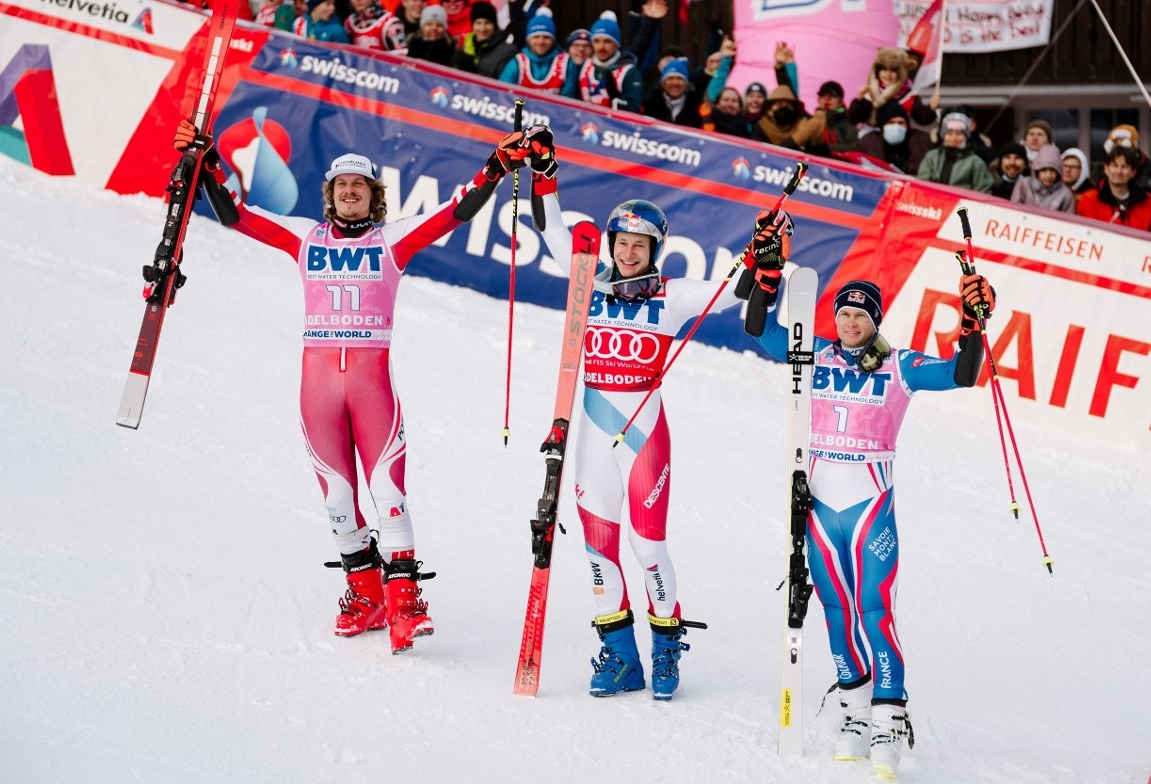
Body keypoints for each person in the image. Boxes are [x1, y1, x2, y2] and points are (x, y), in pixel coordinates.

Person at [171, 117, 550, 654]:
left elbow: (455, 211)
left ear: (373, 197)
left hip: (371, 388)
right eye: (342, 186)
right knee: (338, 500)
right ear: (330, 195)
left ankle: (404, 603)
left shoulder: (391, 239)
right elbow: (236, 215)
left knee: (390, 493)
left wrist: (496, 168)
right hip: (317, 390)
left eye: (361, 186)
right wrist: (207, 162)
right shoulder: (305, 237)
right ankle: (364, 593)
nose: (351, 192)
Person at [748, 212, 993, 777]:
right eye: (843, 313)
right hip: (819, 511)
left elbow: (962, 373)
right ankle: (856, 710)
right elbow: (759, 330)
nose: (849, 322)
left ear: (875, 319)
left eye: (859, 314)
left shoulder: (900, 365)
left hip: (869, 510)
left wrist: (973, 323)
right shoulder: (816, 354)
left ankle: (889, 716)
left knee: (875, 610)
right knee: (834, 608)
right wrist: (766, 275)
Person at [531, 140, 765, 701]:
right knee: (597, 550)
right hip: (591, 435)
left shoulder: (673, 295)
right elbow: (550, 228)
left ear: (655, 249)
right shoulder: (588, 277)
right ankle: (619, 657)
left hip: (644, 437)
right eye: (622, 243)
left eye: (640, 245)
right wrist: (543, 174)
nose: (629, 253)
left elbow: (732, 293)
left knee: (648, 548)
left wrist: (760, 256)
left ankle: (665, 653)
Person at [562, 11, 643, 112]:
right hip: (585, 124)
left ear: (616, 44)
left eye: (607, 41)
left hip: (613, 126)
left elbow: (634, 110)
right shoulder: (585, 65)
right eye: (596, 41)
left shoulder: (629, 72)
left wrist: (615, 99)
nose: (601, 47)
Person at [1075, 146, 1151, 230]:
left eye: (1124, 167)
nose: (1119, 171)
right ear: (1106, 169)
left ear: (1133, 172)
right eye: (1114, 165)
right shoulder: (1089, 200)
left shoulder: (1148, 203)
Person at [917, 111, 993, 193]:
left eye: (959, 134)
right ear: (943, 136)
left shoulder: (976, 163)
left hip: (964, 205)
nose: (954, 138)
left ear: (966, 136)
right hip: (933, 202)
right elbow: (922, 183)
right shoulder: (932, 157)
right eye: (949, 134)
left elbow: (983, 192)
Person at [499, 9, 570, 94]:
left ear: (553, 40)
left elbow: (569, 98)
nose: (541, 42)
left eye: (546, 37)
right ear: (528, 40)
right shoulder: (517, 63)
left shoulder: (566, 63)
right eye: (536, 37)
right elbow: (503, 95)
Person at [856, 100, 931, 175]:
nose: (896, 126)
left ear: (907, 127)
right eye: (891, 123)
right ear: (883, 126)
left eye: (901, 123)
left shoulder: (918, 140)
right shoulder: (870, 142)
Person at [449, 1, 517, 79]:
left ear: (494, 25)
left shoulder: (507, 52)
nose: (483, 28)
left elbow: (504, 83)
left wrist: (476, 73)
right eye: (478, 23)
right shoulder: (464, 50)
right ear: (473, 25)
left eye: (487, 23)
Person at [1011, 144, 1075, 213]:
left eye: (1053, 171)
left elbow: (1068, 220)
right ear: (1037, 171)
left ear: (1059, 172)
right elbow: (1013, 211)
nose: (1048, 175)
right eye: (1044, 170)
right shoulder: (1024, 185)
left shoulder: (1065, 194)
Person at [641, 57, 701, 127]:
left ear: (686, 83)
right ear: (663, 83)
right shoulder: (649, 106)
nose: (675, 83)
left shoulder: (698, 107)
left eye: (680, 78)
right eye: (670, 78)